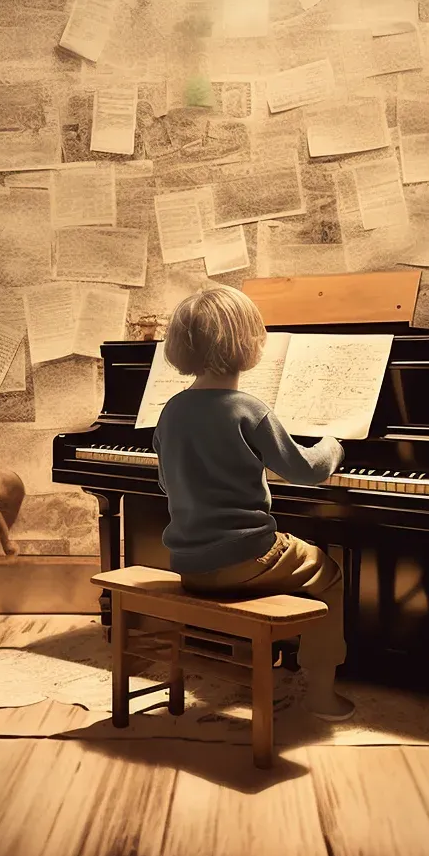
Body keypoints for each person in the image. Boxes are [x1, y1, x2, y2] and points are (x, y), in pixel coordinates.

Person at [153, 285, 354, 721]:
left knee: (280, 556)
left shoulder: (172, 411)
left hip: (189, 564)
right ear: (248, 345)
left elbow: (167, 484)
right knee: (331, 575)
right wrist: (334, 444)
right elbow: (308, 470)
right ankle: (322, 692)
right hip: (247, 558)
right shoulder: (249, 410)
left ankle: (275, 651)